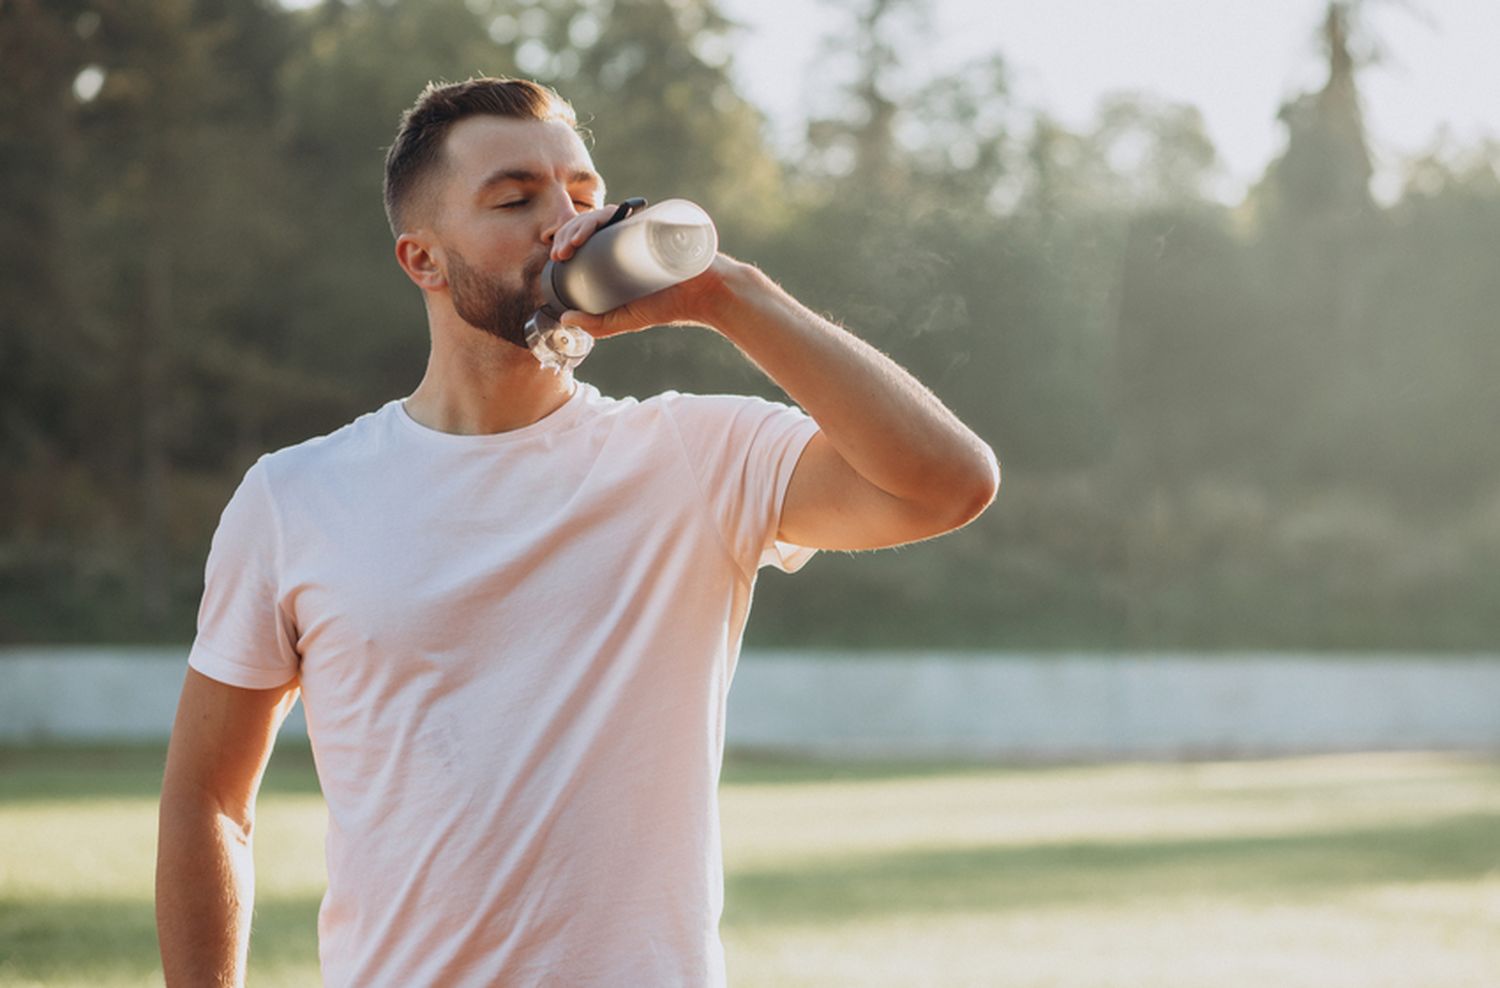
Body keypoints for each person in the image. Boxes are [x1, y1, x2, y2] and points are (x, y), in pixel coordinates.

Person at [155, 76, 997, 987]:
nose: (564, 222)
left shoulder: (694, 453)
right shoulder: (294, 498)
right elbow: (210, 799)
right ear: (423, 259)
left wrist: (729, 295)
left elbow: (948, 486)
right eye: (516, 199)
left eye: (586, 196)